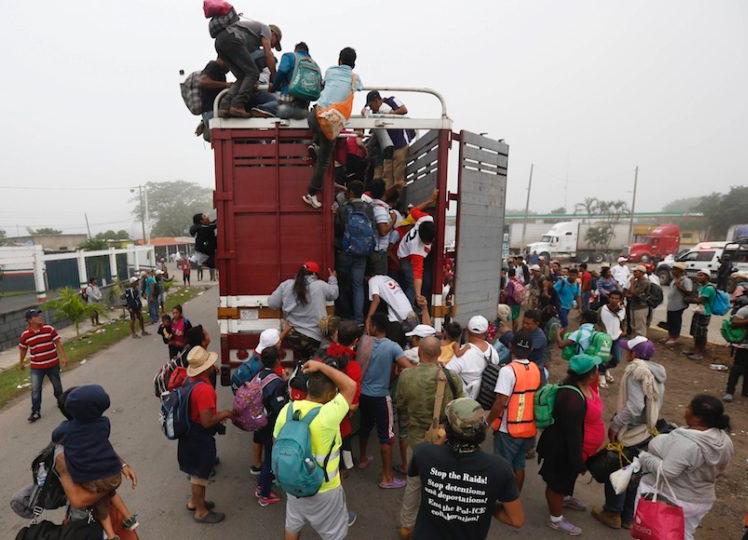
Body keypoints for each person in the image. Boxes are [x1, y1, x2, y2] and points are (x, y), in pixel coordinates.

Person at [408, 397, 524, 539]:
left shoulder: (423, 453)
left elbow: (418, 469)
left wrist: (442, 439)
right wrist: (481, 504)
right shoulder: (499, 468)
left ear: (447, 429)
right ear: (482, 429)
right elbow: (516, 520)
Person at [273, 359, 358, 540]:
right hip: (324, 487)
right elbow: (350, 385)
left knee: (292, 527)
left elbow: (276, 443)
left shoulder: (287, 410)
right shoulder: (328, 415)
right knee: (333, 534)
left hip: (293, 482)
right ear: (330, 394)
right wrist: (321, 366)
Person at [592, 336, 666, 530]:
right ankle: (627, 516)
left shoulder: (636, 372)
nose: (626, 353)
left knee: (617, 469)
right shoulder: (656, 372)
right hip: (647, 430)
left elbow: (634, 406)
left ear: (634, 353)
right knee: (634, 472)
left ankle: (612, 512)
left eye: (628, 350)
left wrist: (616, 424)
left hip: (631, 431)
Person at [636, 394, 734, 540]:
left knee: (651, 531)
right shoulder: (724, 440)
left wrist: (645, 457)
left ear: (697, 418)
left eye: (689, 407)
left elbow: (667, 472)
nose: (686, 409)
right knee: (683, 534)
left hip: (672, 499)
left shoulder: (687, 443)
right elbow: (720, 470)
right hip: (701, 500)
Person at [396, 336, 464, 537]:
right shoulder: (451, 377)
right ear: (439, 354)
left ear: (419, 352)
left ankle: (406, 526)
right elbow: (460, 408)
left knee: (414, 483)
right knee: (443, 485)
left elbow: (400, 405)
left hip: (417, 439)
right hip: (443, 440)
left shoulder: (407, 376)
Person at [51, 385, 138, 538]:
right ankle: (123, 523)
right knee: (108, 497)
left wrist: (121, 465)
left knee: (105, 505)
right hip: (90, 516)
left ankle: (113, 533)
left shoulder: (69, 438)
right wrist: (112, 483)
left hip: (98, 508)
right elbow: (79, 500)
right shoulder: (62, 455)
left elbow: (101, 448)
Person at [538, 354, 603, 536]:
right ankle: (556, 520)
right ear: (590, 375)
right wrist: (577, 461)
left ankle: (565, 498)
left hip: (569, 447)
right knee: (556, 483)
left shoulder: (581, 386)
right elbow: (572, 435)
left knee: (565, 480)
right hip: (561, 449)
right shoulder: (572, 398)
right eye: (596, 369)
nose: (599, 371)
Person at [303, 47, 364, 209]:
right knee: (324, 160)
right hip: (329, 122)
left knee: (320, 135)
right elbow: (359, 88)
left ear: (339, 60)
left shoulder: (330, 71)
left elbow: (324, 86)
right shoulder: (354, 78)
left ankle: (314, 144)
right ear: (354, 64)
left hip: (314, 115)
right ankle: (311, 193)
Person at [179, 346, 234, 524]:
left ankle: (195, 502)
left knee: (196, 470)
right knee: (200, 474)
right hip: (199, 435)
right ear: (207, 367)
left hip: (188, 433)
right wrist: (225, 413)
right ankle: (201, 512)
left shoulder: (189, 380)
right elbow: (207, 421)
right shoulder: (204, 390)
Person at [358, 312, 412, 488]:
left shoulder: (364, 342)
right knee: (386, 436)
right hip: (381, 397)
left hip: (363, 395)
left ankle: (363, 458)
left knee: (365, 427)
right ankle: (387, 478)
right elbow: (408, 367)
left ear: (373, 326)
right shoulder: (393, 347)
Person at [486, 332, 541, 492]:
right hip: (528, 428)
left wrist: (487, 423)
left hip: (508, 429)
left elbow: (500, 402)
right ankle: (515, 496)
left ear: (510, 346)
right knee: (519, 465)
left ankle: (504, 502)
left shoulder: (508, 371)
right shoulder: (535, 369)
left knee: (501, 467)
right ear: (530, 349)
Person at [268, 262, 338, 361]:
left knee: (302, 362)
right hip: (314, 337)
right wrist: (332, 279)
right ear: (314, 274)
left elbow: (272, 303)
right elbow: (334, 294)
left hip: (293, 336)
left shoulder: (286, 285)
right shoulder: (320, 285)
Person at [213, 17, 281, 118]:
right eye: (275, 43)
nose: (273, 47)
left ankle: (224, 106)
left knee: (243, 76)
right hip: (231, 38)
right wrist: (275, 79)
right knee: (253, 74)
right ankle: (237, 105)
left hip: (219, 42)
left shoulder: (251, 43)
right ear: (273, 34)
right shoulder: (266, 29)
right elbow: (268, 54)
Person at [335, 180, 377, 325]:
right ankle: (359, 319)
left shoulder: (344, 208)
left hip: (346, 251)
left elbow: (338, 229)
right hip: (362, 253)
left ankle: (346, 315)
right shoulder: (369, 208)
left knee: (342, 284)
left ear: (350, 192)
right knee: (358, 286)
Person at [253, 346, 289, 507]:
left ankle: (261, 485)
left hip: (259, 421)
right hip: (269, 426)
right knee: (269, 459)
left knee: (266, 457)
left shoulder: (259, 375)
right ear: (277, 361)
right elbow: (279, 408)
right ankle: (264, 494)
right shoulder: (276, 382)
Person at [19, 308, 68, 423]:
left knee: (57, 387)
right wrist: (21, 362)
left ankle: (62, 403)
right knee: (36, 390)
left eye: (39, 315)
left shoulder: (49, 329)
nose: (40, 317)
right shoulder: (25, 335)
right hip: (37, 367)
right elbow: (23, 350)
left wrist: (63, 357)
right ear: (30, 320)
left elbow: (58, 343)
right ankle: (36, 411)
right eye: (36, 316)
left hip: (52, 364)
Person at [363, 91, 411, 193]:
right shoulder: (376, 113)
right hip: (387, 148)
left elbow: (404, 110)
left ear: (376, 101)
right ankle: (388, 201)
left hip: (400, 143)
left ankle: (398, 200)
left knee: (398, 175)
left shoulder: (391, 101)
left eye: (371, 105)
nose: (371, 108)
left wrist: (390, 115)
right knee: (387, 175)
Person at [447, 316, 500, 399]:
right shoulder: (493, 352)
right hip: (485, 401)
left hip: (465, 404)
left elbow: (447, 375)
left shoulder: (463, 353)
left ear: (467, 331)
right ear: (486, 333)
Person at [273, 42, 317, 119]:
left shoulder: (290, 56)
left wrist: (274, 87)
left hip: (287, 100)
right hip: (304, 105)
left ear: (296, 49)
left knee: (266, 107)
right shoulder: (314, 65)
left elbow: (282, 71)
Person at [196, 56, 231, 140]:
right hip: (211, 114)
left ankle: (204, 123)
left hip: (210, 113)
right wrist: (227, 85)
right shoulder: (213, 66)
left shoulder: (221, 73)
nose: (230, 68)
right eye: (230, 63)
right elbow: (203, 82)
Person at [367, 179, 396, 276]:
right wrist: (393, 220)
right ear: (383, 192)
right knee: (380, 282)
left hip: (372, 249)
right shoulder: (380, 209)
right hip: (379, 251)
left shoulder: (370, 205)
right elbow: (383, 231)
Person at [686, 270, 717, 361]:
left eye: (701, 275)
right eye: (698, 275)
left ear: (707, 277)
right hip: (699, 311)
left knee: (701, 334)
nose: (698, 277)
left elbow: (700, 300)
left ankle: (699, 353)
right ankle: (696, 350)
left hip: (705, 313)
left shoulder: (709, 288)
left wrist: (688, 300)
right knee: (696, 333)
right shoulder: (702, 287)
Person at [599, 290, 626, 386]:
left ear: (620, 300)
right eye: (612, 298)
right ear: (608, 298)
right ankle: (601, 375)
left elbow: (623, 321)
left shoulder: (622, 309)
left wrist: (624, 330)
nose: (614, 300)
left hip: (617, 337)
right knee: (603, 357)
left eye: (617, 298)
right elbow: (597, 322)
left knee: (617, 358)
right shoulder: (602, 309)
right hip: (605, 338)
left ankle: (605, 369)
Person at [723, 302, 748, 402]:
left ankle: (745, 391)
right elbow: (734, 323)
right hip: (744, 345)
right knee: (737, 368)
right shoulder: (745, 310)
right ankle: (729, 391)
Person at [663, 262, 693, 346]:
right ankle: (670, 336)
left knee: (676, 321)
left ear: (679, 271)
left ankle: (674, 337)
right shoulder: (674, 279)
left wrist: (679, 286)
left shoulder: (686, 280)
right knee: (670, 321)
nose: (672, 271)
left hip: (679, 305)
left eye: (674, 270)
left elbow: (689, 292)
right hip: (671, 304)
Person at [520, 309, 548, 384]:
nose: (524, 325)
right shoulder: (524, 330)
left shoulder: (540, 337)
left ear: (537, 324)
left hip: (535, 370)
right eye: (523, 322)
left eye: (528, 324)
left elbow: (522, 351)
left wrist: (508, 334)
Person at [626, 265, 651, 337]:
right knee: (633, 325)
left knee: (640, 326)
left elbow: (634, 293)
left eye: (636, 272)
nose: (634, 273)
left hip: (641, 306)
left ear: (642, 273)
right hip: (634, 305)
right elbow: (630, 292)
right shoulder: (637, 281)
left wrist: (632, 283)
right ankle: (634, 341)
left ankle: (641, 342)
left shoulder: (644, 282)